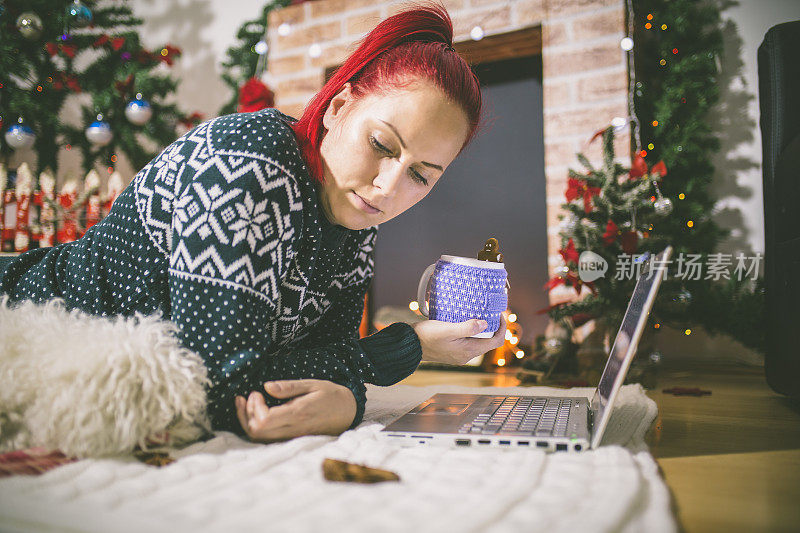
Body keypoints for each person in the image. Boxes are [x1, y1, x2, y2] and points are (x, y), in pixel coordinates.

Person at [0, 4, 506, 442]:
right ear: (338, 106)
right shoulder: (248, 168)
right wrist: (404, 349)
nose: (389, 187)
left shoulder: (353, 216)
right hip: (29, 313)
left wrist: (347, 394)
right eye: (381, 145)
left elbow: (326, 357)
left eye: (421, 174)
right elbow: (215, 386)